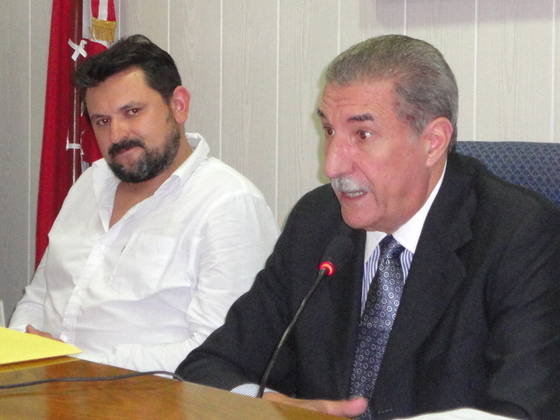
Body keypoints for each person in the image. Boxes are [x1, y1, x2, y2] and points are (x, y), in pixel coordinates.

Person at [176, 35, 560, 420]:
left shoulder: (520, 235)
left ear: (433, 142)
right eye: (329, 131)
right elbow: (207, 369)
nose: (332, 166)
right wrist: (274, 406)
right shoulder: (315, 222)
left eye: (362, 135)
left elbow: (525, 407)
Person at [9, 34, 279, 373]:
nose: (117, 134)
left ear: (178, 105)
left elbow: (220, 351)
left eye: (132, 112)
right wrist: (24, 350)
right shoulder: (89, 184)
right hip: (47, 391)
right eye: (101, 121)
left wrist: (78, 366)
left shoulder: (227, 204)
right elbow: (39, 296)